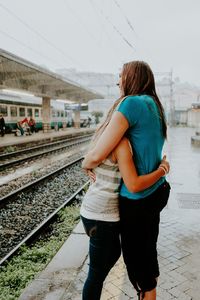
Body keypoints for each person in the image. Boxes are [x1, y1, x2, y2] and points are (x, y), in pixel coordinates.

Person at [82, 60, 171, 300]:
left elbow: (99, 152)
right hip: (156, 195)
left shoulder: (131, 104)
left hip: (137, 200)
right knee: (147, 262)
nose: (119, 81)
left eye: (121, 76)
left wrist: (85, 163)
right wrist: (162, 170)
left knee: (140, 272)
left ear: (131, 77)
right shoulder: (155, 106)